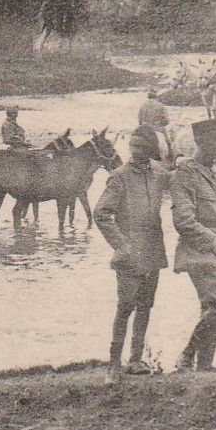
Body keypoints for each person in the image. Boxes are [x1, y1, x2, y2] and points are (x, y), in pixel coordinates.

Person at [92, 125, 170, 384]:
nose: (136, 151)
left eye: (141, 147)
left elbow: (177, 179)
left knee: (146, 306)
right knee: (125, 306)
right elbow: (101, 214)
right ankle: (113, 365)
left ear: (151, 149)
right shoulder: (119, 177)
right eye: (133, 146)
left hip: (153, 250)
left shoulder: (159, 175)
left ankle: (135, 359)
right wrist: (121, 246)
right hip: (129, 252)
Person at [171, 119, 216, 372]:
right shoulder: (184, 174)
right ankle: (187, 355)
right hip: (200, 253)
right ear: (200, 142)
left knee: (210, 309)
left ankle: (204, 370)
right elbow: (184, 221)